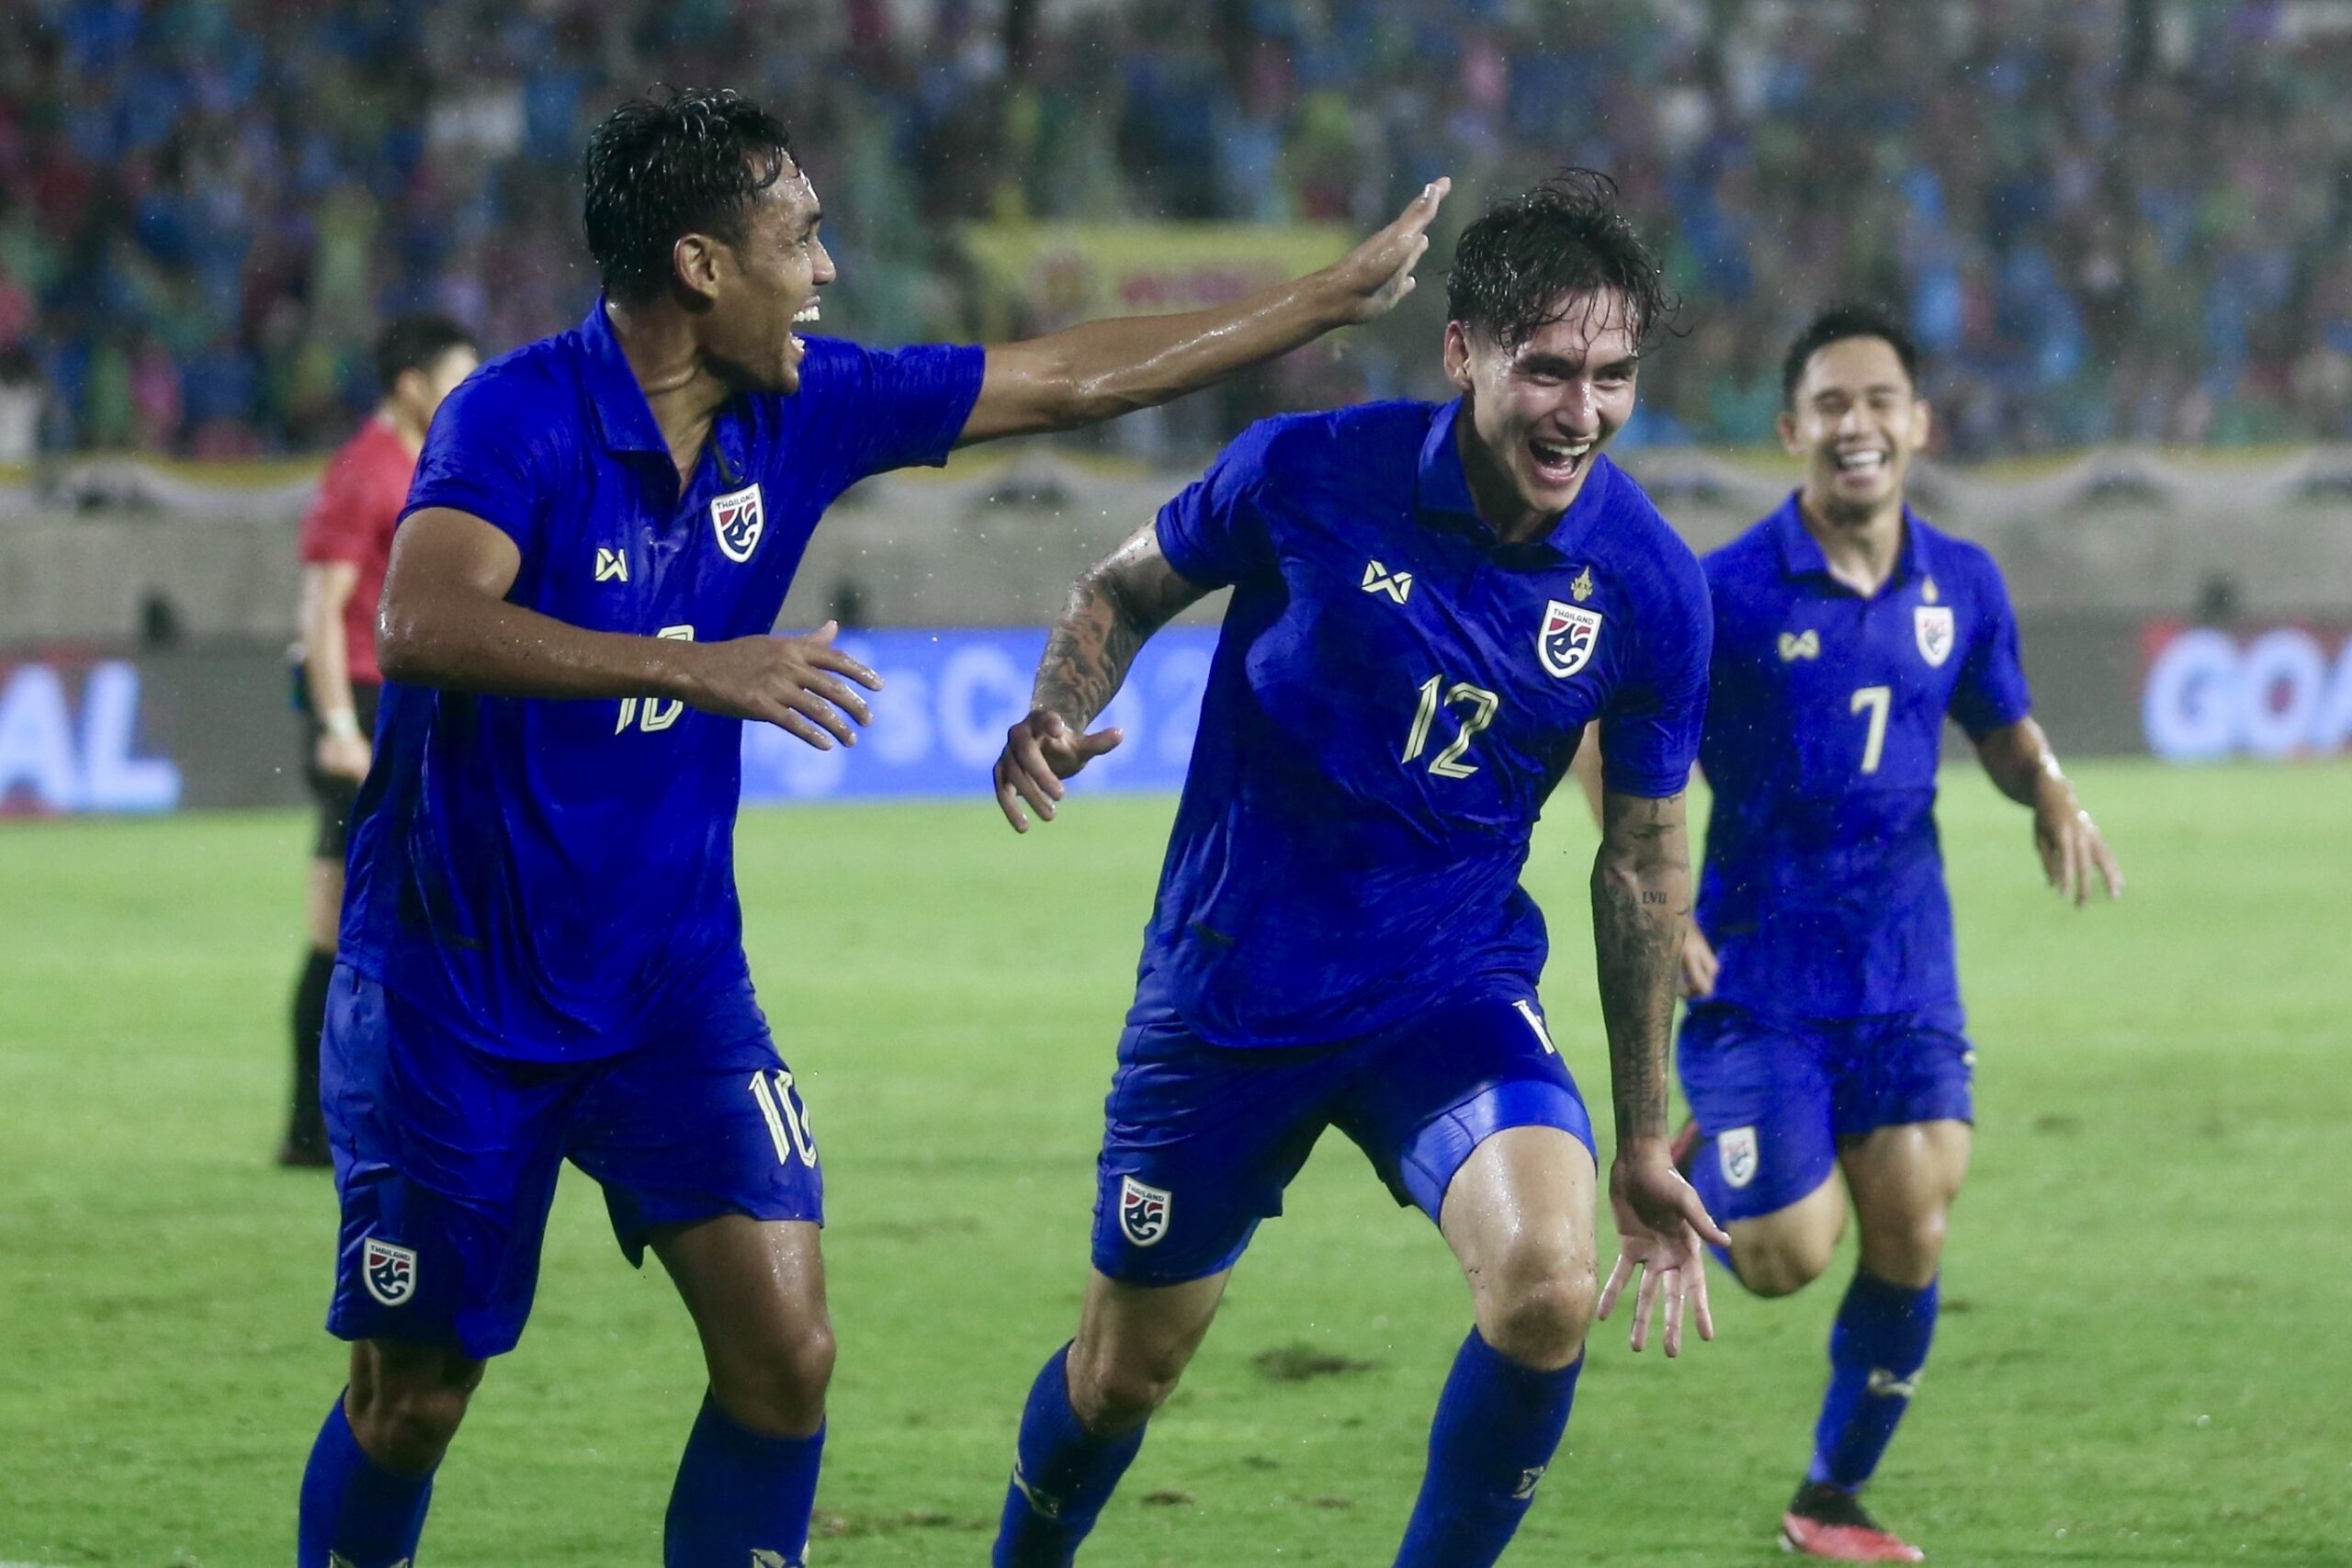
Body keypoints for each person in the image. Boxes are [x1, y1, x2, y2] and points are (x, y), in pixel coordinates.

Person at [296, 86, 1448, 1568]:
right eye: (801, 238)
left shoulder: (805, 404)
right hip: (451, 985)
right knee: (412, 1401)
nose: (827, 270)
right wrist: (694, 667)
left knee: (788, 1357)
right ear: (703, 265)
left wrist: (1316, 302)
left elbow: (1061, 379)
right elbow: (422, 620)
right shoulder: (514, 415)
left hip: (668, 984)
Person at [984, 171, 1726, 1568]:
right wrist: (1053, 707)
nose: (1581, 410)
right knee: (1120, 1376)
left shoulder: (1649, 585)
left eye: (1613, 376)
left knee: (1546, 1286)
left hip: (1445, 987)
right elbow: (1122, 588)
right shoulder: (1307, 470)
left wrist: (1641, 1136)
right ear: (1463, 353)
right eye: (1547, 368)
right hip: (1232, 989)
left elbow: (1639, 860)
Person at [1571, 304, 2123, 1562]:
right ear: (1790, 430)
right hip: (1760, 973)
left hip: (1906, 968)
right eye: (1830, 403)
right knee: (1782, 1254)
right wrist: (1654, 888)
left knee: (1916, 1223)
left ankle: (1830, 1496)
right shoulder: (1729, 592)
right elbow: (1607, 737)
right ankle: (1707, 1162)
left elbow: (1999, 719)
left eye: (1879, 400)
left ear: (1919, 424)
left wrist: (2049, 790)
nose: (1856, 423)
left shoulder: (1963, 582)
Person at [279, 316, 479, 1169]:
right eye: (457, 377)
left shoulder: (428, 463)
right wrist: (335, 726)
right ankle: (309, 1129)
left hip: (412, 702)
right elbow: (320, 611)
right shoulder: (365, 472)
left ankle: (384, 1117)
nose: (469, 393)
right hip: (364, 710)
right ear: (410, 385)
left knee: (415, 919)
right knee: (340, 929)